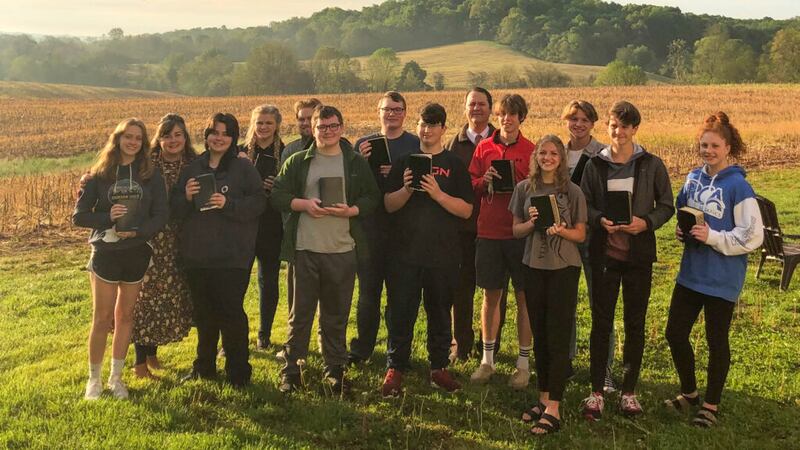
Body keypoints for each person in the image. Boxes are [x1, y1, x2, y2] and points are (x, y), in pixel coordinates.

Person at [271, 105, 380, 394]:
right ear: (313, 128)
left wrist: (352, 210)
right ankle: (292, 371)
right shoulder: (297, 161)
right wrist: (303, 204)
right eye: (322, 127)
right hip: (305, 248)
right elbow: (278, 195)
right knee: (300, 315)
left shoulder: (355, 162)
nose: (328, 132)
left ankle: (335, 370)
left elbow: (372, 198)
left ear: (342, 128)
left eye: (333, 126)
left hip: (342, 250)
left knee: (336, 314)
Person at [664, 112, 763, 427]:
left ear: (728, 147)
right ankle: (690, 393)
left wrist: (714, 237)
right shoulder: (693, 178)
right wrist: (683, 232)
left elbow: (753, 236)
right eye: (704, 145)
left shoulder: (738, 186)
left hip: (722, 277)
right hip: (691, 273)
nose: (708, 151)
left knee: (715, 339)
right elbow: (685, 212)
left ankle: (711, 405)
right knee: (675, 333)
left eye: (715, 146)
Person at [579, 101, 674, 419]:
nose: (617, 131)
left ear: (635, 129)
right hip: (604, 255)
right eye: (612, 125)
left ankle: (629, 392)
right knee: (601, 323)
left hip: (638, 257)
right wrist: (598, 220)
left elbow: (667, 205)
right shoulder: (595, 165)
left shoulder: (651, 164)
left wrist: (645, 223)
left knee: (635, 324)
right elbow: (586, 204)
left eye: (623, 126)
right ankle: (596, 392)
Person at [382, 103, 474, 396]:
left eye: (434, 125)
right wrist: (408, 189)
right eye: (423, 124)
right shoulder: (404, 162)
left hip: (442, 254)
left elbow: (466, 210)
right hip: (404, 253)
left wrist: (437, 194)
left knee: (439, 311)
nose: (427, 130)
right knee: (400, 311)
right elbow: (388, 205)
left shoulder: (455, 164)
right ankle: (396, 367)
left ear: (443, 129)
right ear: (417, 126)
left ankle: (438, 368)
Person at [73, 118, 168, 400]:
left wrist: (139, 231)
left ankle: (116, 378)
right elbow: (79, 216)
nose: (133, 142)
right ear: (117, 138)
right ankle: (94, 380)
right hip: (106, 253)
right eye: (128, 136)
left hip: (137, 252)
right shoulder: (99, 174)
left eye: (138, 138)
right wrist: (107, 218)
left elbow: (161, 215)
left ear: (143, 143)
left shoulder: (151, 175)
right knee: (102, 318)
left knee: (125, 316)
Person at [172, 113, 266, 388]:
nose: (219, 137)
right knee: (204, 314)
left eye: (226, 133)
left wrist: (229, 203)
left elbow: (259, 203)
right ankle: (204, 367)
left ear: (234, 137)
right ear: (207, 135)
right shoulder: (192, 168)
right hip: (197, 255)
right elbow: (175, 209)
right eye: (215, 132)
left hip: (232, 256)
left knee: (231, 313)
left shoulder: (243, 168)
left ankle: (238, 372)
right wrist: (187, 196)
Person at [511, 135, 587, 435]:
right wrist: (532, 223)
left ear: (561, 157)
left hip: (563, 268)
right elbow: (516, 231)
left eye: (554, 153)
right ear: (535, 156)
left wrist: (562, 231)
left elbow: (581, 234)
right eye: (542, 152)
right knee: (539, 333)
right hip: (533, 266)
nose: (548, 157)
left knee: (557, 334)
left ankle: (555, 407)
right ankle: (542, 399)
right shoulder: (524, 189)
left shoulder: (573, 191)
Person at [468, 94, 534, 390]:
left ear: (522, 117)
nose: (507, 119)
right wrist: (485, 181)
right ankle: (487, 361)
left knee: (524, 299)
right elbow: (471, 184)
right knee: (490, 296)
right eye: (502, 114)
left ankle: (522, 364)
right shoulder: (483, 147)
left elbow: (539, 188)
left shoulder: (532, 150)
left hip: (520, 234)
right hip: (490, 232)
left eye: (512, 114)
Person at [349, 91, 420, 365]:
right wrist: (360, 160)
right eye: (386, 109)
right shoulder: (363, 144)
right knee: (368, 294)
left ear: (405, 113)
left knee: (400, 296)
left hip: (403, 230)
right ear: (378, 112)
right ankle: (362, 348)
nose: (391, 113)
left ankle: (397, 351)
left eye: (397, 109)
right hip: (369, 229)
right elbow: (352, 186)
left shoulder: (414, 143)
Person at [130, 113, 196, 379]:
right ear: (159, 138)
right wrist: (89, 180)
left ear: (185, 137)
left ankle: (152, 354)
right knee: (145, 300)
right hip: (150, 240)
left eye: (178, 134)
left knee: (166, 298)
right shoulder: (145, 164)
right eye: (167, 135)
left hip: (181, 241)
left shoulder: (193, 163)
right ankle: (139, 363)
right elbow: (116, 176)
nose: (173, 140)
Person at [561, 100, 615, 390]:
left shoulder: (604, 154)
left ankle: (604, 367)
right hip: (565, 238)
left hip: (595, 236)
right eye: (573, 118)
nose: (578, 124)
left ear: (593, 123)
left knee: (600, 303)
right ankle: (565, 361)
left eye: (584, 119)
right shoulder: (558, 151)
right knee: (565, 302)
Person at [445, 87, 499, 363]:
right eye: (472, 104)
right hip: (461, 228)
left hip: (495, 228)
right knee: (461, 289)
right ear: (465, 109)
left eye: (482, 104)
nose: (476, 108)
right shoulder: (454, 145)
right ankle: (462, 345)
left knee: (494, 290)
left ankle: (491, 345)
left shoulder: (501, 141)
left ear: (491, 109)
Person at [241, 104, 286, 350]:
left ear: (277, 125)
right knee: (238, 282)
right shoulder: (240, 153)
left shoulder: (286, 153)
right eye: (259, 122)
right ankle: (234, 334)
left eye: (269, 123)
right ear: (252, 124)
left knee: (268, 280)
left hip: (271, 226)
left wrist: (275, 186)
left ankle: (264, 334)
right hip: (244, 227)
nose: (263, 127)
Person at [281, 98, 322, 165]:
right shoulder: (290, 150)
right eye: (301, 119)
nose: (305, 123)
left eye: (310, 118)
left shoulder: (335, 147)